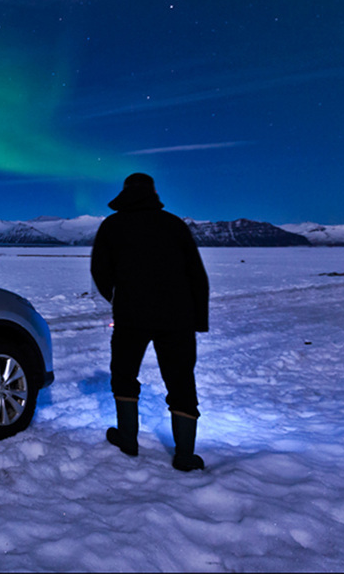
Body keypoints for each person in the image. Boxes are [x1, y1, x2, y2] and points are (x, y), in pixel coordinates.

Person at [90, 173, 209, 472]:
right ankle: (184, 455)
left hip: (131, 315)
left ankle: (127, 438)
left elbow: (100, 272)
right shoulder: (174, 225)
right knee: (181, 379)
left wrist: (117, 298)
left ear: (125, 193)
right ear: (153, 193)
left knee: (124, 373)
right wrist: (198, 319)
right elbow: (197, 274)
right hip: (177, 317)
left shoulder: (112, 226)